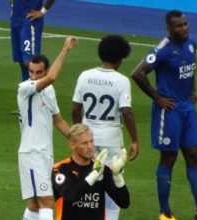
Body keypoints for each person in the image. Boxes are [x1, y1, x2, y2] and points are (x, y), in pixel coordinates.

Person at [130, 10, 197, 220]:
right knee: (169, 158)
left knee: (194, 155)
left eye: (185, 24)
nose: (184, 28)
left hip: (188, 110)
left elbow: (190, 70)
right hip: (169, 111)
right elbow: (137, 73)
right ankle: (164, 213)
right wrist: (157, 98)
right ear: (169, 29)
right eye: (178, 26)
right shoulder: (162, 50)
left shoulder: (192, 44)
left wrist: (192, 90)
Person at [71, 34, 138, 220]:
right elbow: (127, 112)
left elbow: (76, 108)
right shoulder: (121, 81)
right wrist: (135, 140)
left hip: (87, 140)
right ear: (120, 58)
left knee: (88, 184)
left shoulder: (85, 76)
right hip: (111, 141)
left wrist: (79, 132)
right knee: (113, 188)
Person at [17, 36, 77, 220]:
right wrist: (65, 49)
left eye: (38, 72)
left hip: (44, 154)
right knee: (48, 201)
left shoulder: (49, 91)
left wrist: (76, 141)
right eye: (31, 72)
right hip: (32, 153)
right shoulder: (25, 87)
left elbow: (57, 119)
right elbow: (52, 77)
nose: (34, 76)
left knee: (35, 204)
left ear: (45, 70)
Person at [52, 123, 129, 220]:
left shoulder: (102, 170)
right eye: (84, 143)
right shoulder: (60, 169)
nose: (90, 146)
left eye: (91, 141)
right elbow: (70, 196)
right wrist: (93, 176)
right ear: (72, 145)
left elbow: (124, 202)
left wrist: (118, 177)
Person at [9, 0, 56, 81]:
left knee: (31, 62)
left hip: (30, 22)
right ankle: (26, 88)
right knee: (22, 61)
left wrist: (42, 11)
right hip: (16, 20)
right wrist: (14, 6)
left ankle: (42, 88)